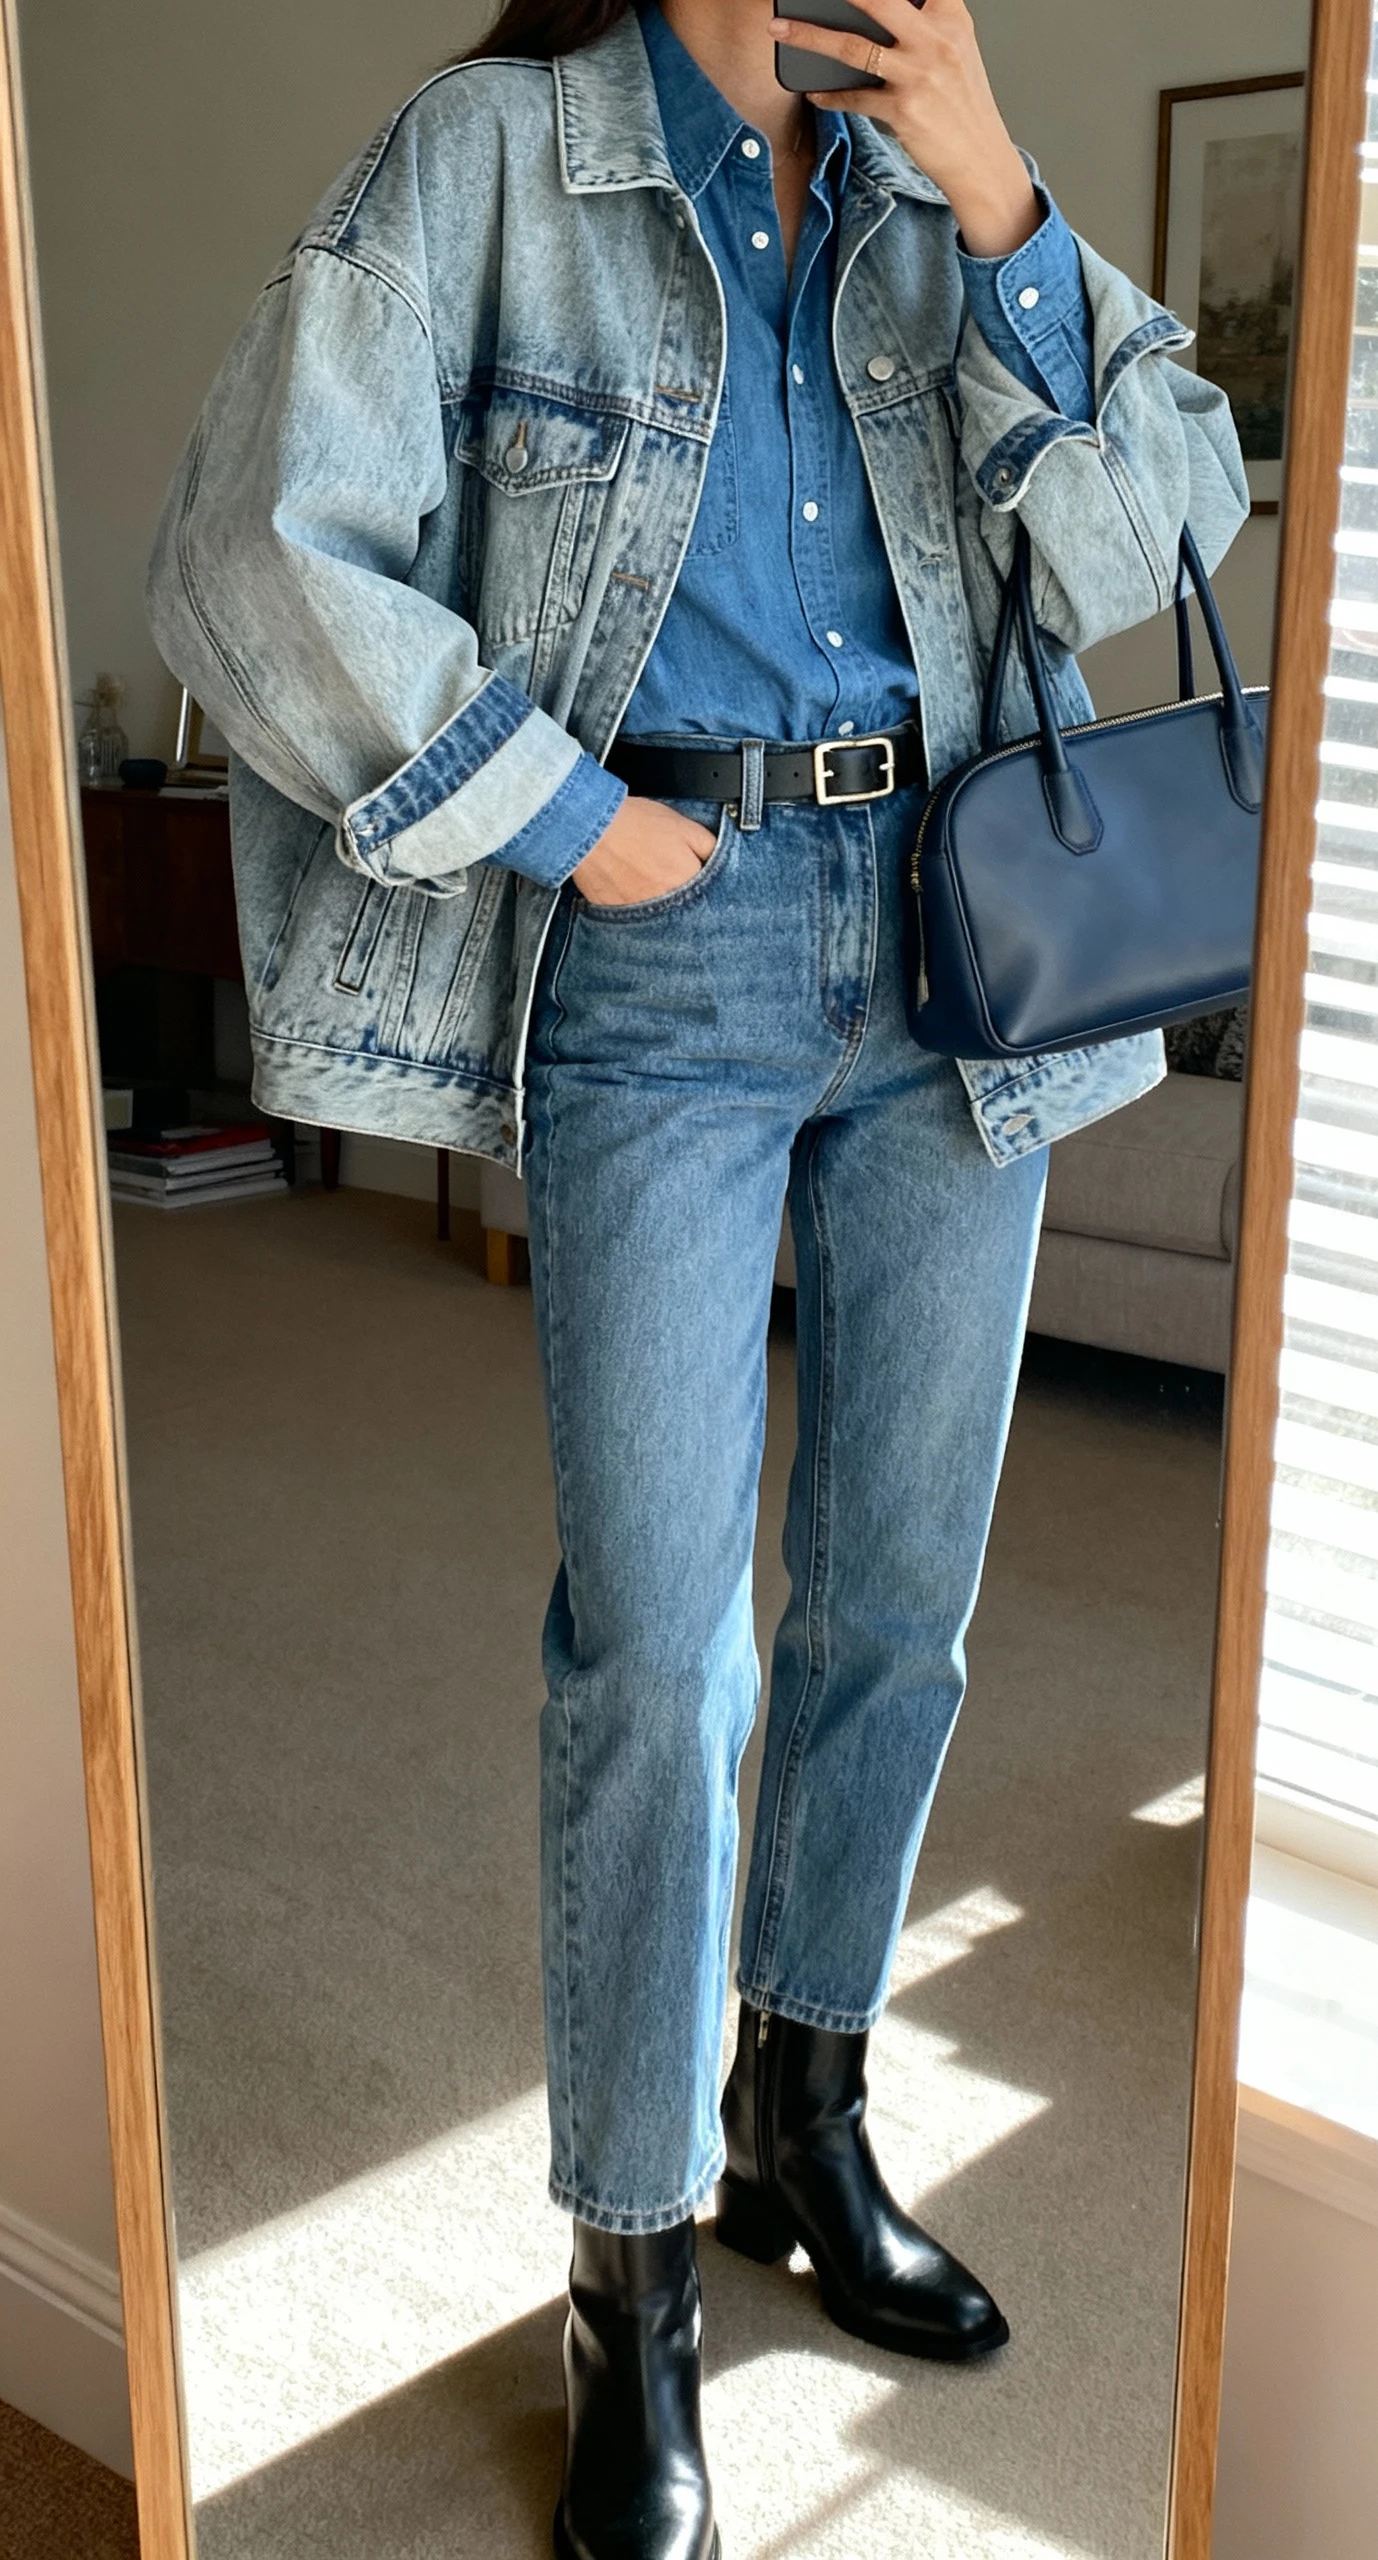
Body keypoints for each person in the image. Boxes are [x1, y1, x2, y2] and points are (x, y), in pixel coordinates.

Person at [148, 4, 1246, 2552]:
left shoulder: (928, 174)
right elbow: (249, 539)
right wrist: (556, 807)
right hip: (664, 951)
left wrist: (996, 202)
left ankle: (802, 2111)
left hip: (971, 941)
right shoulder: (495, 156)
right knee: (661, 1641)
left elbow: (1156, 543)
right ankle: (625, 2272)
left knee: (902, 1601)